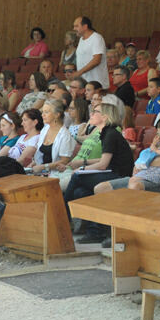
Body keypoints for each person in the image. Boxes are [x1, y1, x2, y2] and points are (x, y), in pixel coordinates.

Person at [65, 95, 135, 244]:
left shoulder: (110, 134)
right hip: (111, 171)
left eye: (95, 112)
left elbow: (103, 164)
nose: (91, 114)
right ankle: (95, 232)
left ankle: (62, 216)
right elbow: (104, 160)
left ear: (104, 117)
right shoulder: (105, 133)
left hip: (120, 176)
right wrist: (83, 164)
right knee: (81, 192)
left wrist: (82, 168)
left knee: (77, 177)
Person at [71, 16, 109, 89]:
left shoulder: (96, 38)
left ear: (85, 26)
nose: (74, 29)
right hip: (85, 83)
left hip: (97, 83)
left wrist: (79, 72)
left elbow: (97, 60)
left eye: (76, 26)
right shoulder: (81, 40)